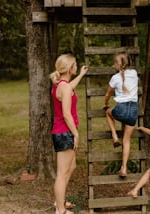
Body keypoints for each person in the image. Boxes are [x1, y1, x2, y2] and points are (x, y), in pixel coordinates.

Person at [49, 54, 88, 214]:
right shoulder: (64, 87)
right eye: (75, 65)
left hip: (62, 132)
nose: (76, 67)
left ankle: (60, 201)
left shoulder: (61, 84)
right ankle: (60, 210)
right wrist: (76, 134)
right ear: (70, 67)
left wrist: (81, 75)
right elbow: (66, 113)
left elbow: (69, 87)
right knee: (61, 174)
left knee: (71, 167)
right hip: (65, 133)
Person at [103, 51, 138, 178]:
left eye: (115, 63)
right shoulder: (134, 73)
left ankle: (114, 136)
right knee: (127, 140)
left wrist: (105, 103)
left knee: (108, 113)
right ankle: (124, 168)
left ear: (118, 64)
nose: (114, 65)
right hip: (133, 110)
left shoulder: (115, 78)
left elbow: (107, 94)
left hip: (121, 109)